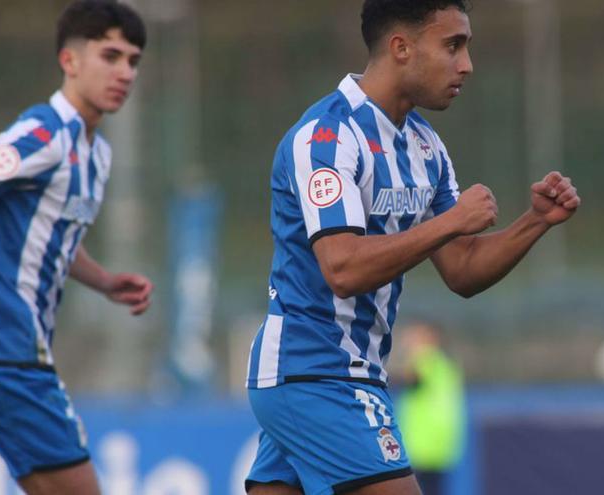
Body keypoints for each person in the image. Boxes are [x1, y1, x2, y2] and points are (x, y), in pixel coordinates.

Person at [244, 1, 580, 494]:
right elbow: (341, 268)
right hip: (316, 373)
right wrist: (448, 221)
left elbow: (462, 270)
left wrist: (535, 222)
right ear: (401, 47)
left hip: (339, 376)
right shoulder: (328, 137)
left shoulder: (425, 147)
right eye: (452, 45)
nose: (466, 64)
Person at [0, 2, 151, 494]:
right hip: (6, 356)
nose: (124, 72)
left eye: (133, 61)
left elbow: (45, 236)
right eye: (111, 55)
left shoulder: (96, 152)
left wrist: (103, 281)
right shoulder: (43, 134)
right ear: (69, 61)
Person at [395, 323, 465, 495]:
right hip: (441, 445)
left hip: (421, 445)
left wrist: (396, 348)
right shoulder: (446, 365)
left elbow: (405, 377)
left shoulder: (424, 360)